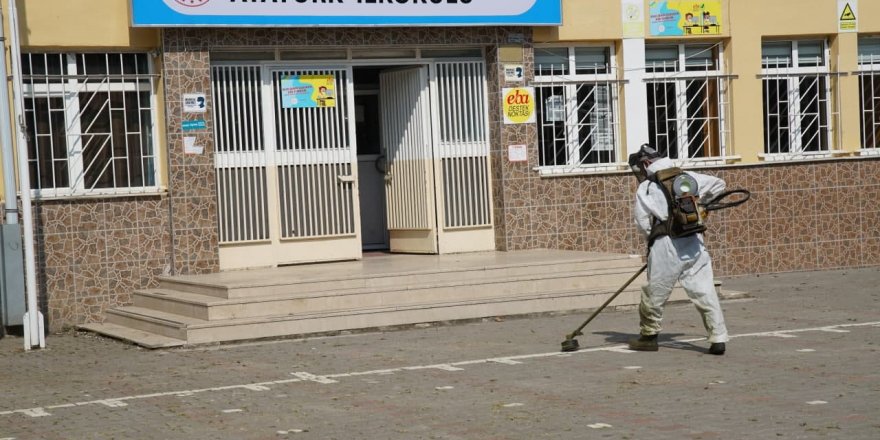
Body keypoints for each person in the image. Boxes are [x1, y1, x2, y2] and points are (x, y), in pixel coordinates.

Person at [627, 145, 729, 355]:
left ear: (646, 163)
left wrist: (652, 241)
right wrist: (703, 207)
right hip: (694, 242)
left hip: (666, 244)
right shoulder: (689, 177)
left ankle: (648, 337)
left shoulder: (647, 187)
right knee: (705, 291)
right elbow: (719, 184)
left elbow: (642, 221)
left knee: (655, 292)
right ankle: (718, 339)